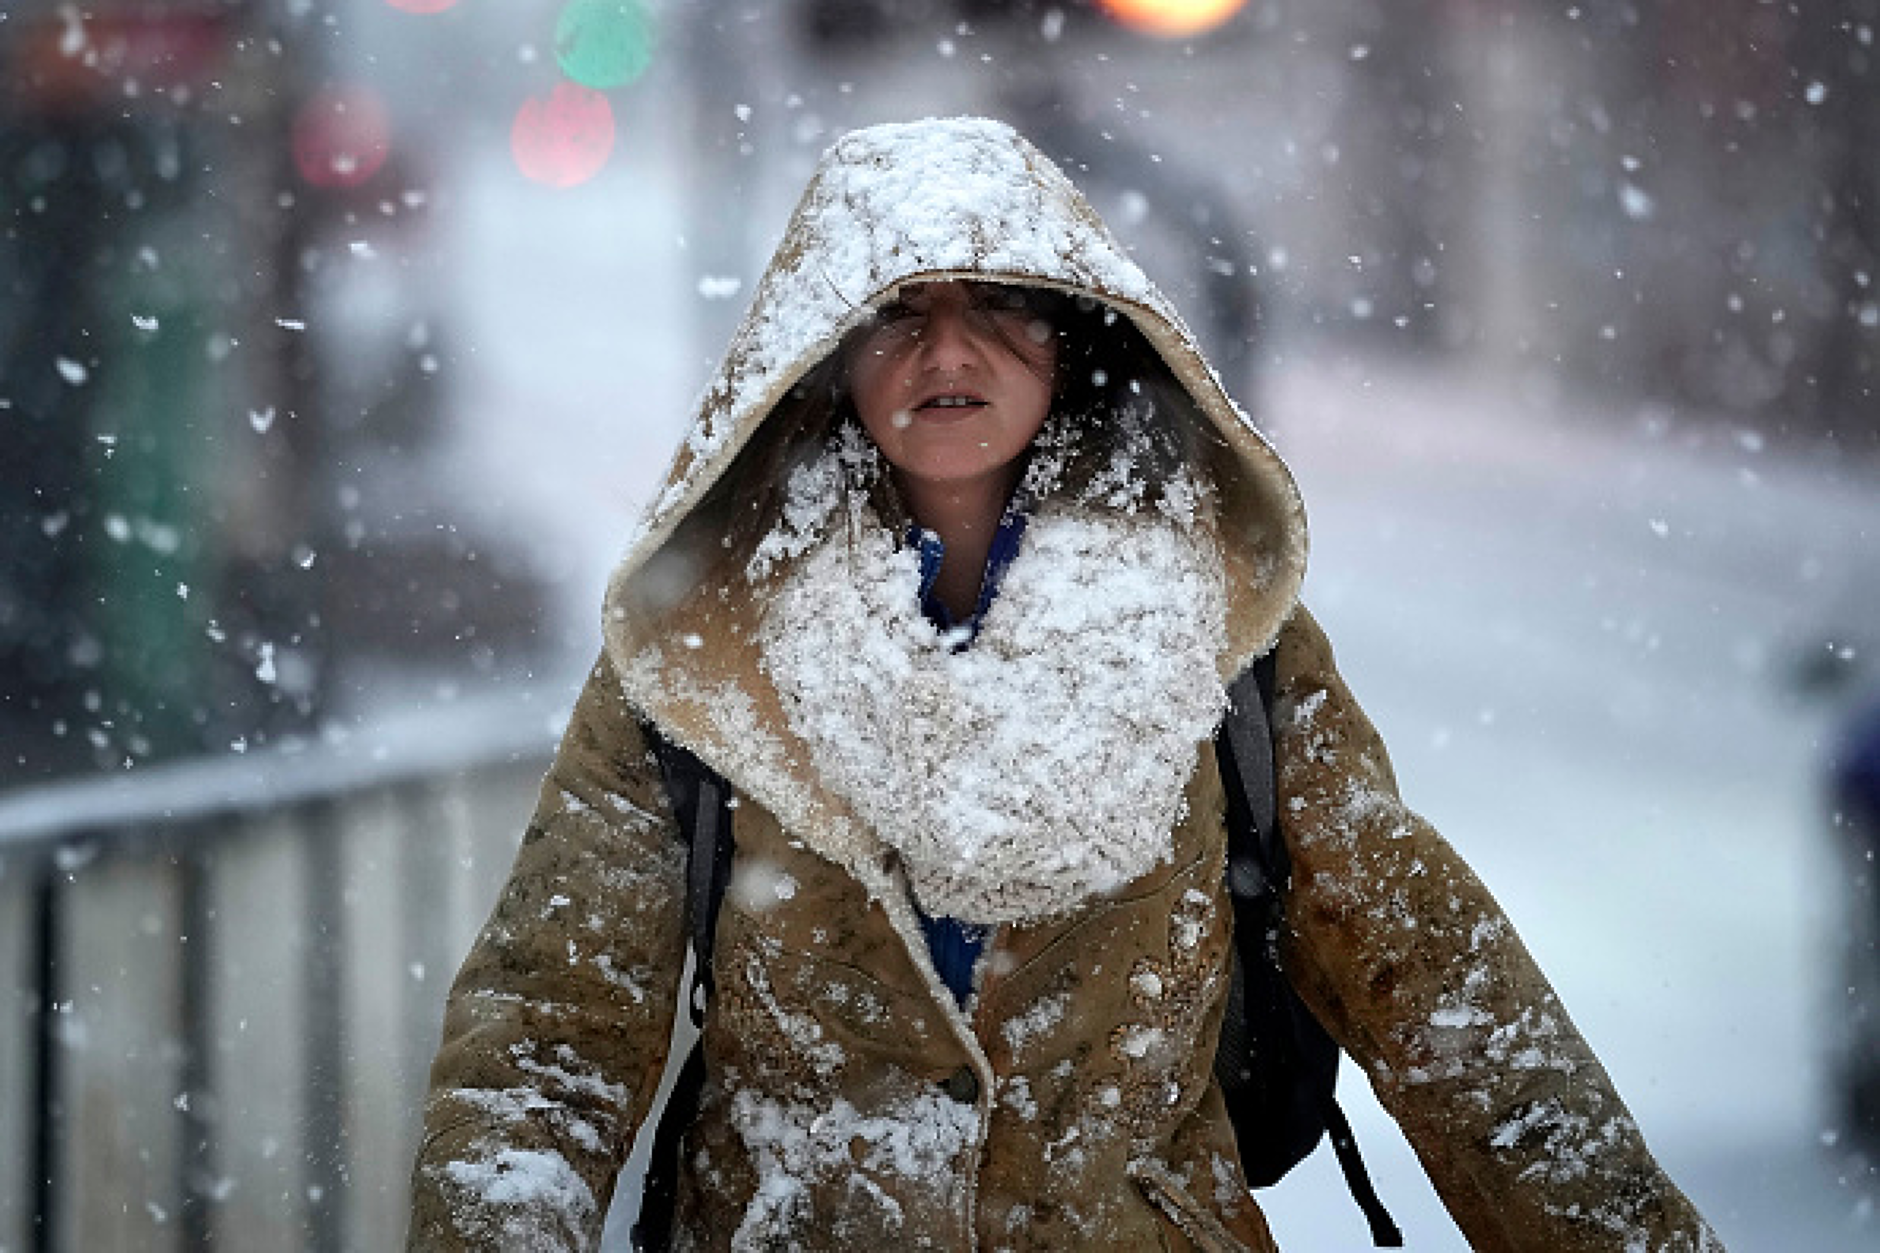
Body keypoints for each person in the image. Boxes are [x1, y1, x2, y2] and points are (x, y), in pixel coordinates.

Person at [407, 117, 1720, 1252]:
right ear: (825, 353)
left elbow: (1438, 983)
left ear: (1074, 332)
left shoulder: (1225, 632)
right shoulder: (703, 655)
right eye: (899, 313)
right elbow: (548, 1041)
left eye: (998, 304)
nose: (948, 352)